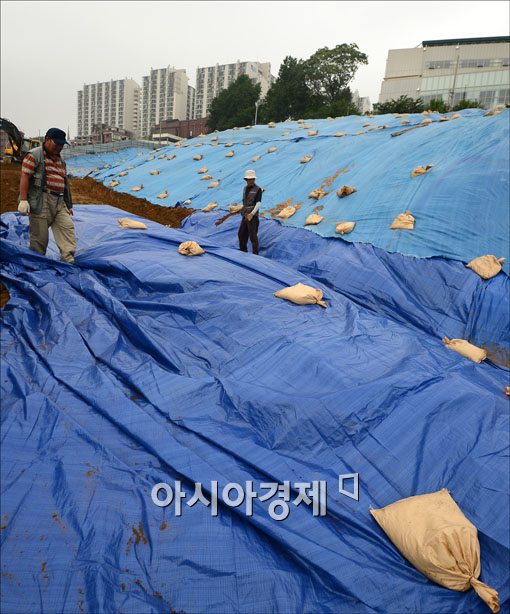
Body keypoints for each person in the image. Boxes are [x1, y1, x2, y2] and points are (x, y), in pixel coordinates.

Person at [18, 128, 76, 264]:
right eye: (57, 144)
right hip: (42, 200)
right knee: (40, 237)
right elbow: (25, 176)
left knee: (67, 228)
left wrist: (67, 205)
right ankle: (37, 264)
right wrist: (23, 200)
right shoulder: (34, 155)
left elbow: (64, 183)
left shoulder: (61, 161)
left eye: (62, 145)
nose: (60, 147)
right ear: (47, 139)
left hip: (59, 201)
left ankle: (68, 259)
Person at [238, 169, 262, 255]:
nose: (251, 181)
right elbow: (245, 201)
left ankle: (255, 255)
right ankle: (243, 252)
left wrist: (252, 214)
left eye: (252, 179)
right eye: (249, 179)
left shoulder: (258, 189)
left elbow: (258, 203)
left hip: (252, 216)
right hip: (245, 215)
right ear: (246, 180)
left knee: (253, 236)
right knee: (241, 234)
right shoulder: (245, 189)